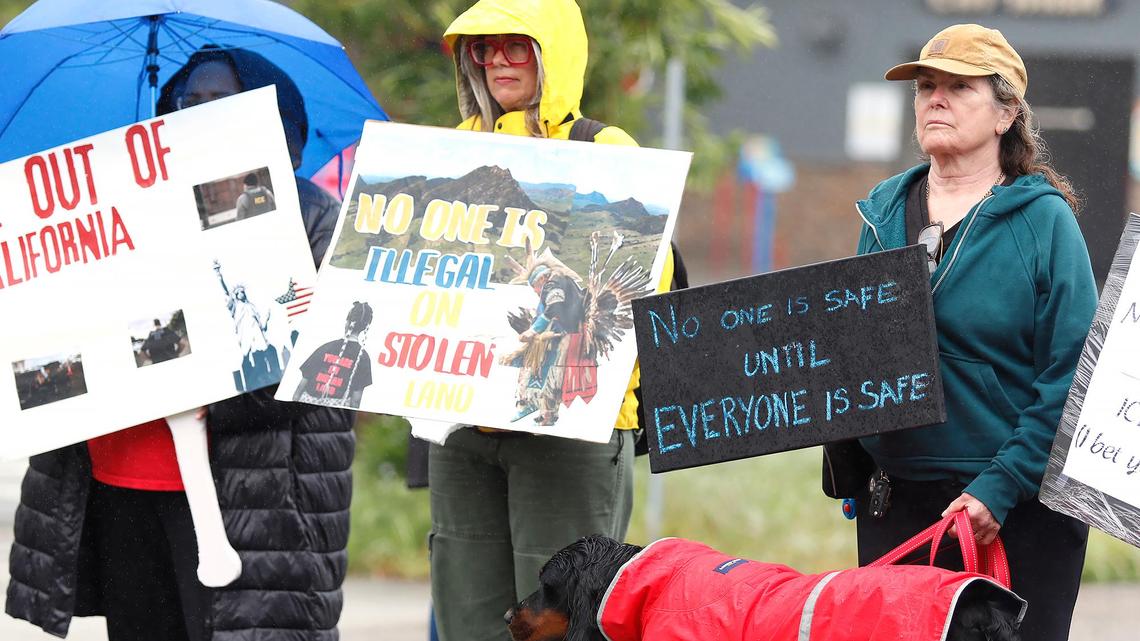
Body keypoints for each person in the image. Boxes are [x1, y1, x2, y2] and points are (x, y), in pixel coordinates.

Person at [6, 46, 354, 641]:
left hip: (247, 498)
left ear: (270, 117)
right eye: (186, 102)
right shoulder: (116, 203)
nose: (198, 113)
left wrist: (210, 396)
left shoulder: (312, 217)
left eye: (220, 102)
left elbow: (331, 367)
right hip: (118, 478)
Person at [428, 2, 675, 640]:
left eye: (518, 45)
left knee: (564, 626)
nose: (499, 60)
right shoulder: (448, 152)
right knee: (469, 622)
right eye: (485, 48)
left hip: (570, 433)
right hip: (464, 428)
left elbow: (647, 282)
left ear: (553, 52)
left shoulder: (605, 151)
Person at [845, 24, 1096, 641]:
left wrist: (1001, 486)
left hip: (1013, 512)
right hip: (896, 505)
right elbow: (850, 349)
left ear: (1007, 111)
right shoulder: (880, 212)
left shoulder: (1043, 221)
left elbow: (1072, 374)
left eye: (959, 87)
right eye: (926, 85)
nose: (935, 98)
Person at [293, 301, 375, 408]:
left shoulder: (325, 347)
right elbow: (355, 401)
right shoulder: (363, 358)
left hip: (307, 404)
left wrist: (295, 402)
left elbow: (301, 386)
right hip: (334, 410)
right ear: (365, 327)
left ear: (347, 322)